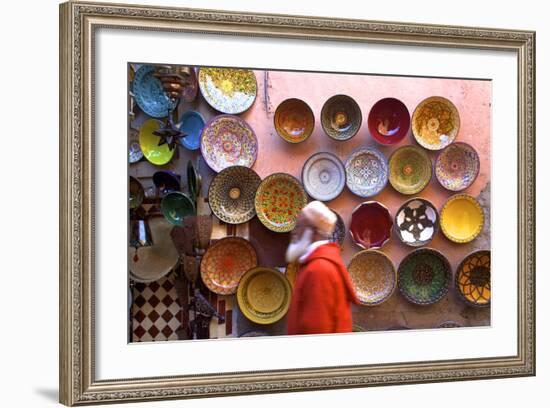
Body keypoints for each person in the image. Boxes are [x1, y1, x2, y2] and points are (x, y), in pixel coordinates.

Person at [286, 201, 359, 335]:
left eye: (299, 226)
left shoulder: (318, 270)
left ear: (312, 231)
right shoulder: (317, 263)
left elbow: (317, 332)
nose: (295, 232)